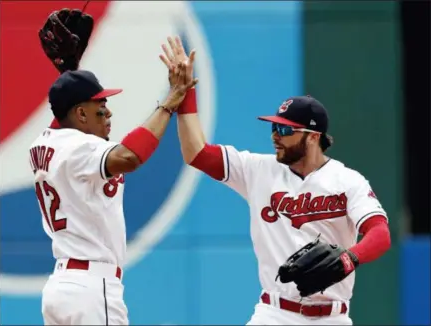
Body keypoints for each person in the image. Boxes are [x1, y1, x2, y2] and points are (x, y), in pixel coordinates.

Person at [160, 36, 391, 325]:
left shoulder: (347, 180)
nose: (274, 137)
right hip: (275, 313)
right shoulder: (258, 169)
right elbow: (196, 153)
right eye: (274, 128)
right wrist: (185, 96)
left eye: (285, 130)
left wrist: (348, 259)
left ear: (313, 136)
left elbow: (379, 234)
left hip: (332, 317)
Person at [30, 46, 196, 325]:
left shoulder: (42, 144)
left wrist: (70, 73)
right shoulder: (79, 148)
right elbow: (130, 157)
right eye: (100, 108)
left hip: (61, 287)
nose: (108, 114)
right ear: (81, 114)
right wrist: (171, 101)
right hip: (91, 289)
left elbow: (63, 116)